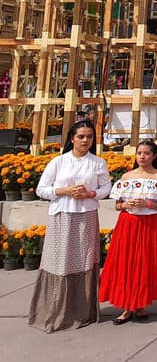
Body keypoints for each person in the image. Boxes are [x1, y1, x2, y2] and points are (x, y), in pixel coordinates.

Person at [29, 120, 112, 332]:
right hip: (62, 216)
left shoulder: (97, 163)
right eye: (81, 136)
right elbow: (42, 189)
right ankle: (55, 312)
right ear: (72, 138)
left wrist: (89, 194)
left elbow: (106, 188)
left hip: (86, 216)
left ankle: (82, 311)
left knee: (83, 261)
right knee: (59, 262)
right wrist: (64, 191)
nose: (85, 141)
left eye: (89, 137)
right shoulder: (58, 162)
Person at [99, 139, 157, 324]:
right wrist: (126, 204)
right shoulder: (126, 177)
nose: (142, 156)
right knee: (126, 262)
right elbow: (117, 205)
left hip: (150, 224)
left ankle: (140, 304)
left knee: (144, 262)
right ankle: (126, 306)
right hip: (128, 223)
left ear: (154, 156)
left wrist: (147, 203)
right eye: (139, 153)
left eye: (147, 153)